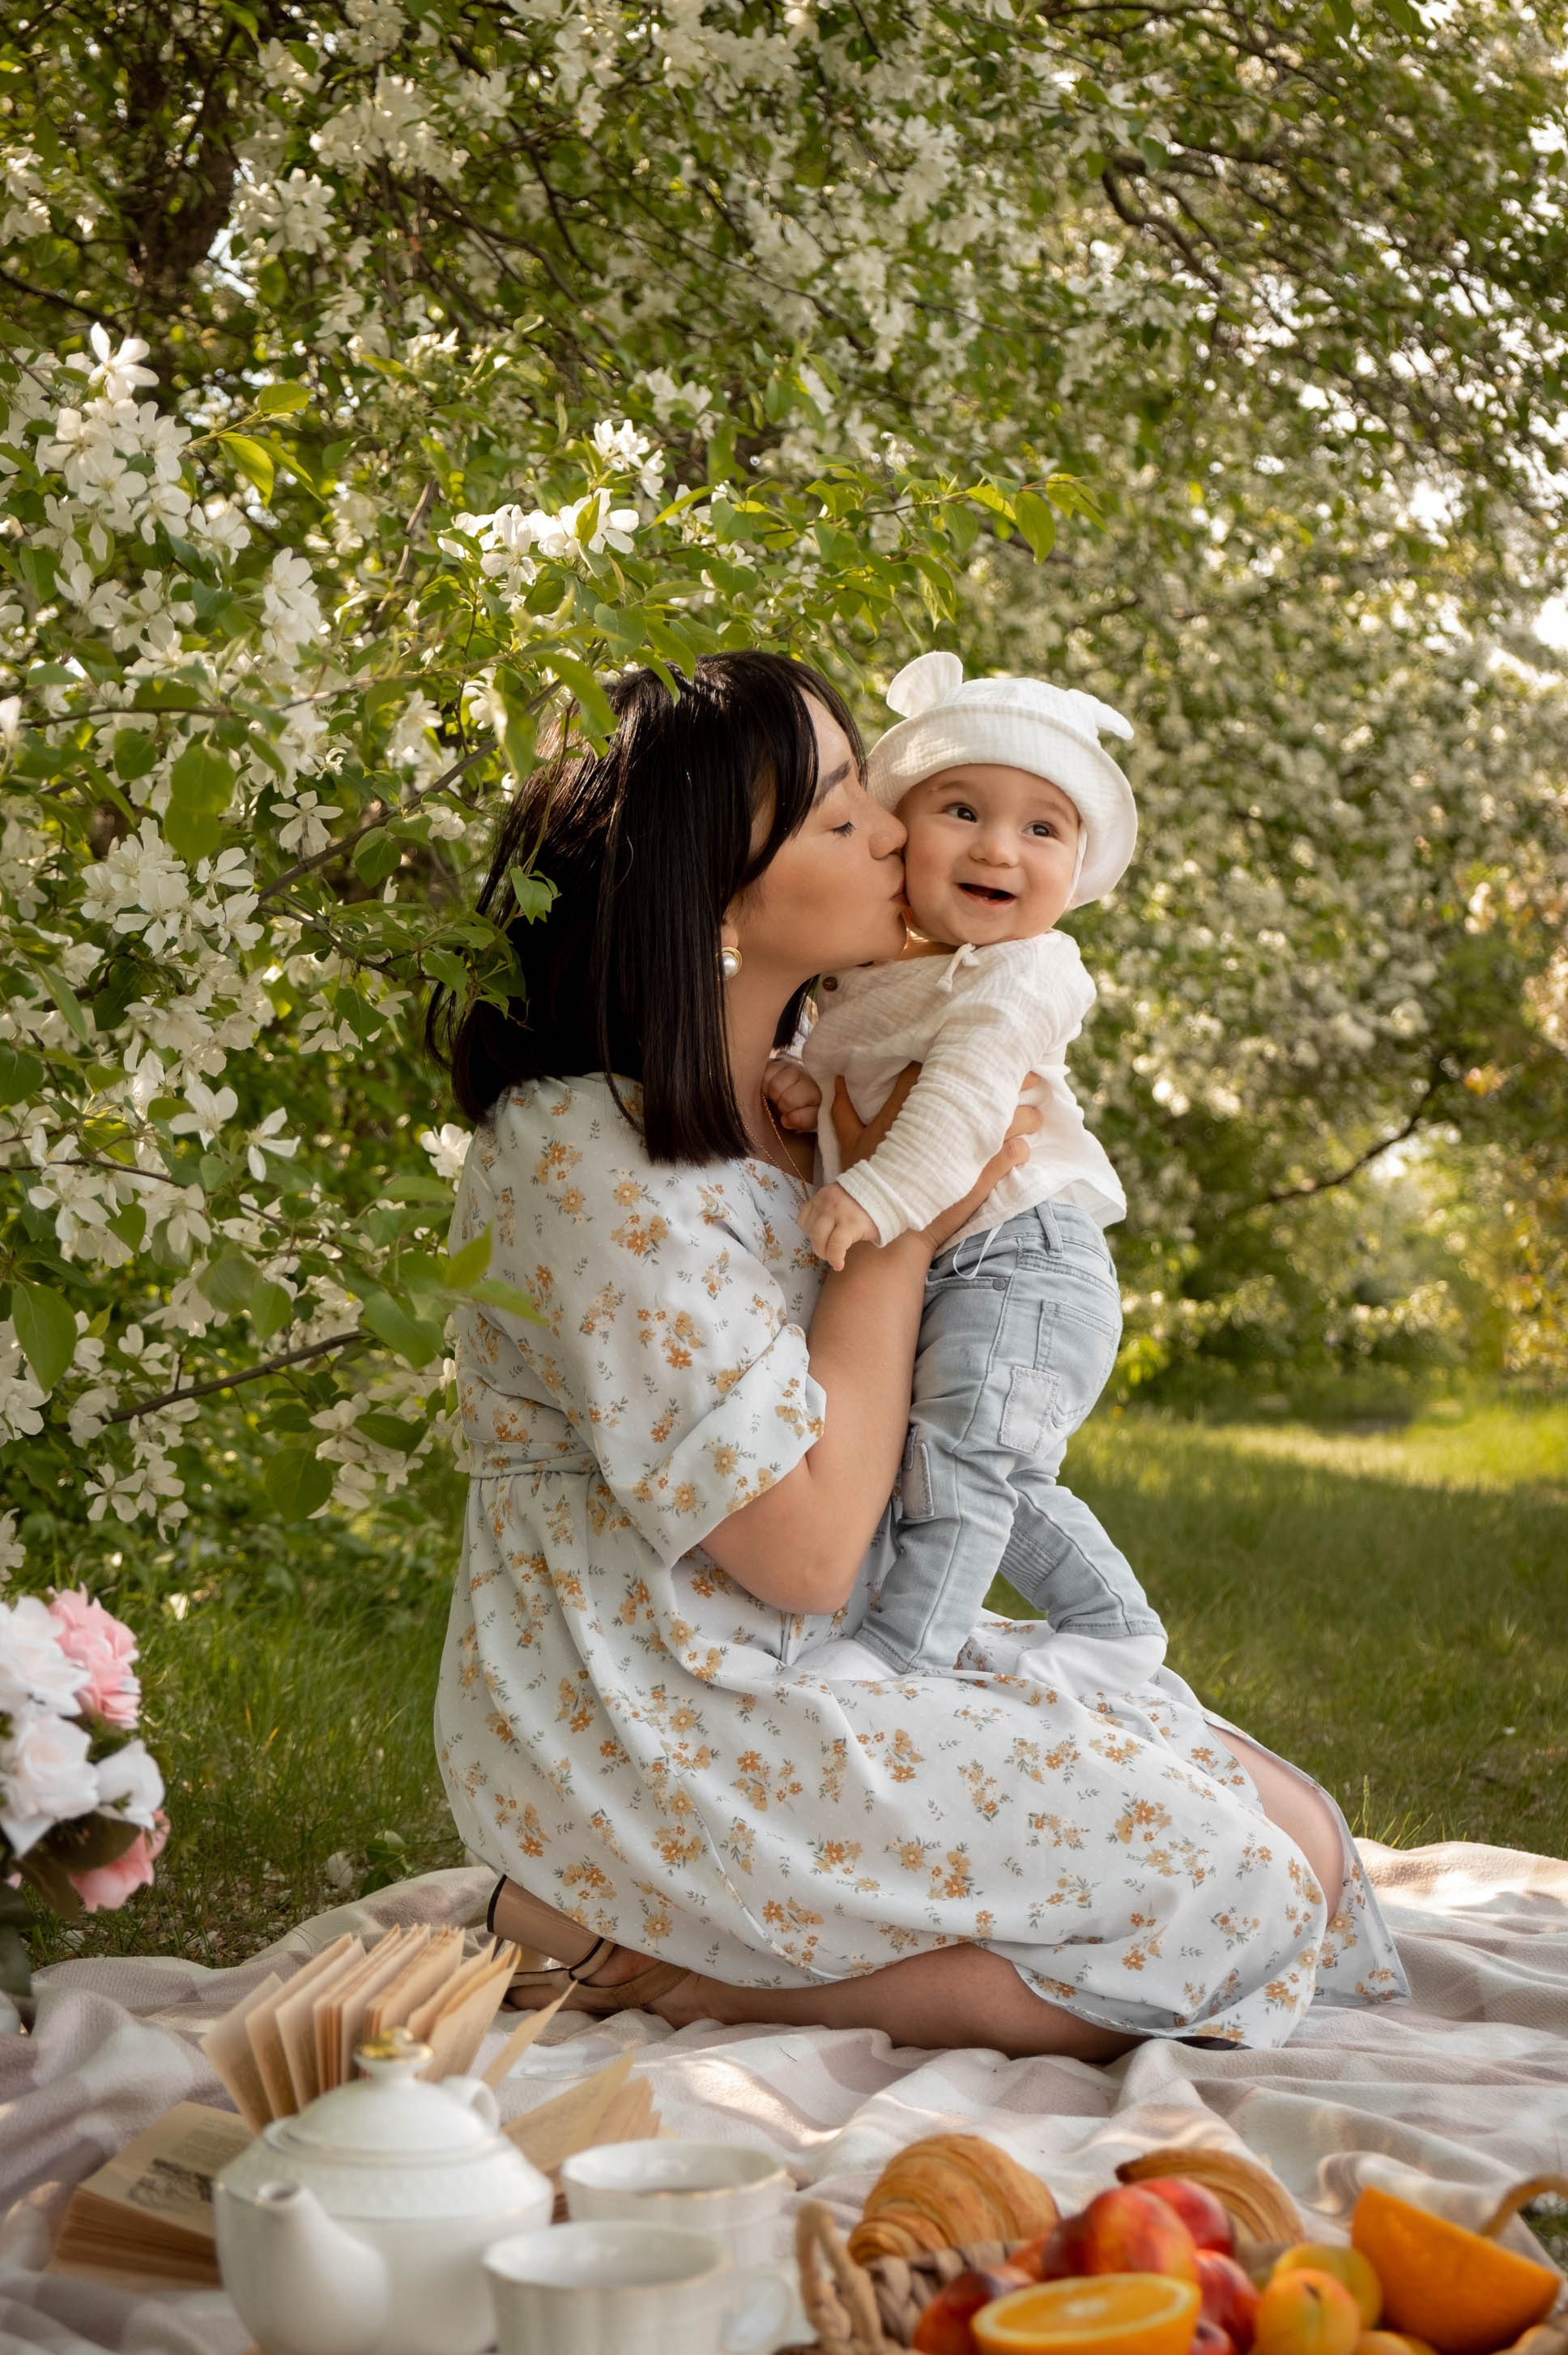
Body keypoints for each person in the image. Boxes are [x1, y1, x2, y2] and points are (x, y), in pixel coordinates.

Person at [429, 649, 1406, 2056]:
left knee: (1304, 1837)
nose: (898, 827)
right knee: (1241, 1896)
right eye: (842, 814)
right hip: (662, 1707)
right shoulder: (590, 1151)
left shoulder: (807, 1090)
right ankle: (646, 1957)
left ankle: (724, 1932)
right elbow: (810, 1550)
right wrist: (898, 1226)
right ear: (714, 894)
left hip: (806, 1647)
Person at [761, 648, 1164, 1693]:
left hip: (1021, 1258)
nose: (999, 847)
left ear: (1077, 870)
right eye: (960, 810)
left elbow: (966, 1105)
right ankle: (1112, 1627)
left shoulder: (1028, 969)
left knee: (963, 1462)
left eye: (1043, 827)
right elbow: (854, 1078)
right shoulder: (879, 970)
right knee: (965, 1460)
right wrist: (808, 1097)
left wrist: (876, 1194)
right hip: (968, 1257)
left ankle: (902, 1656)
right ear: (902, 827)